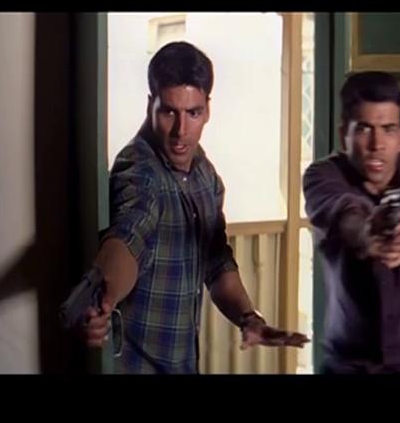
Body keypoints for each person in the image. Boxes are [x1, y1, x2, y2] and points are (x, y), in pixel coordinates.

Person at [80, 41, 307, 373]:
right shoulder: (139, 170)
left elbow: (216, 262)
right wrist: (104, 296)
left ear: (207, 110)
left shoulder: (203, 173)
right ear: (150, 105)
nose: (181, 131)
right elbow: (128, 235)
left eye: (193, 113)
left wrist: (249, 318)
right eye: (169, 112)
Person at [303, 71, 400, 374]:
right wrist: (365, 231)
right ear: (343, 135)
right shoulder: (322, 175)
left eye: (388, 129)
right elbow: (341, 211)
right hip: (350, 364)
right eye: (364, 129)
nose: (377, 144)